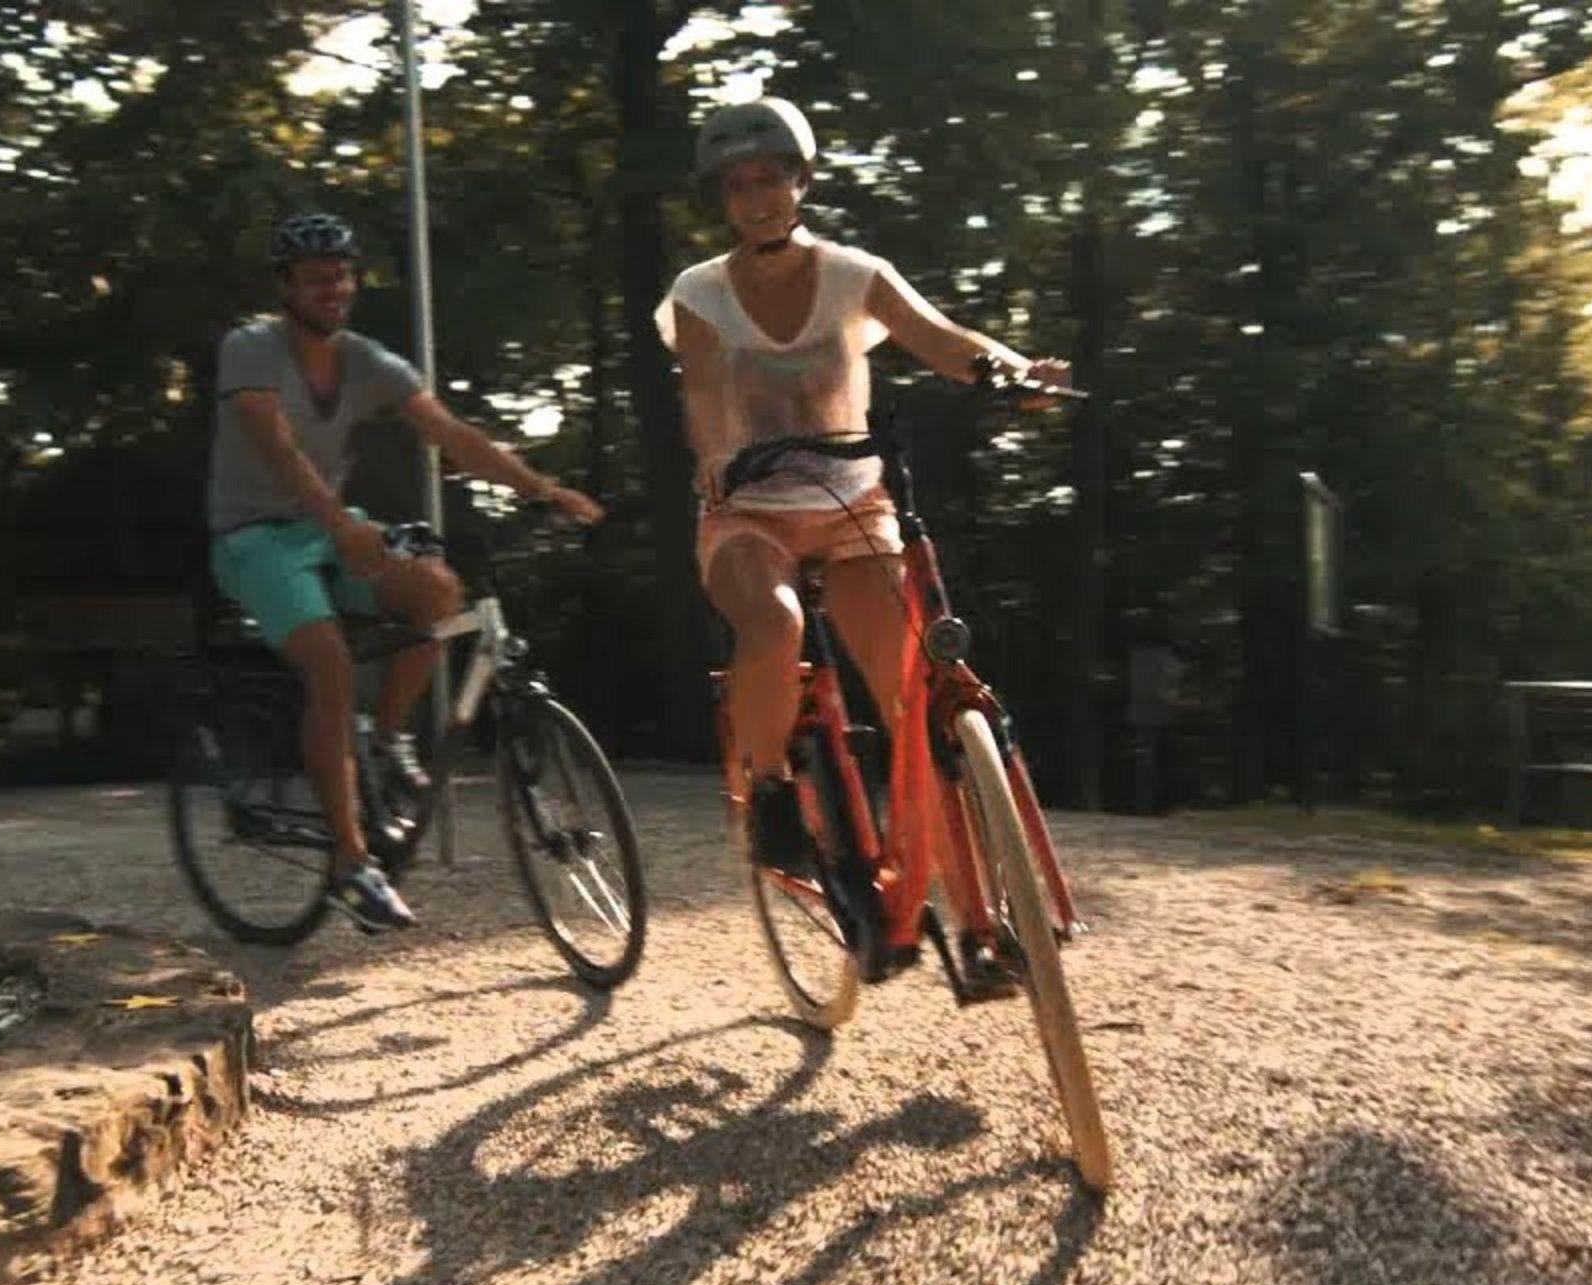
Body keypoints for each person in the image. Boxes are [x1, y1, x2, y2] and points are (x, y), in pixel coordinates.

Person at [655, 97, 1072, 996]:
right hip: (747, 512)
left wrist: (1013, 370)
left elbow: (945, 341)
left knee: (914, 702)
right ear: (723, 198)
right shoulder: (700, 293)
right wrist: (718, 459)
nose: (756, 198)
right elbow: (703, 396)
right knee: (772, 628)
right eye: (738, 185)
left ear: (801, 182)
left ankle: (984, 929)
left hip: (853, 507)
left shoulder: (854, 275)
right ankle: (773, 788)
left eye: (771, 179)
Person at [211, 211, 603, 932]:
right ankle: (350, 865)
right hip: (255, 537)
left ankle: (388, 741)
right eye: (316, 278)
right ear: (286, 286)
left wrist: (540, 488)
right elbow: (276, 449)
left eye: (342, 276)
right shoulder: (251, 349)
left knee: (437, 591)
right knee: (330, 667)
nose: (333, 289)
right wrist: (342, 525)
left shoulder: (366, 361)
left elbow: (450, 431)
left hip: (330, 526)